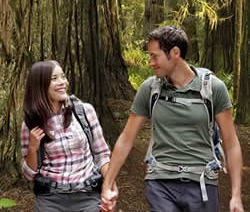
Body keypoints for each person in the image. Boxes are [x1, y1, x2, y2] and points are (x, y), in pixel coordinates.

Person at [101, 25, 244, 212]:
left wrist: (236, 195)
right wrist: (108, 184)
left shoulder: (212, 89)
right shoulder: (150, 89)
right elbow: (126, 139)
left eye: (155, 56)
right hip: (160, 184)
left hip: (202, 183)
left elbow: (231, 143)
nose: (151, 62)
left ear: (175, 53)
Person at [21, 60, 116, 212]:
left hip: (88, 195)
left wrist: (109, 188)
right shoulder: (31, 123)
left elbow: (102, 155)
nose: (62, 82)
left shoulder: (85, 111)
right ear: (40, 85)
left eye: (63, 77)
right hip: (50, 199)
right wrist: (32, 148)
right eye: (54, 79)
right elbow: (29, 174)